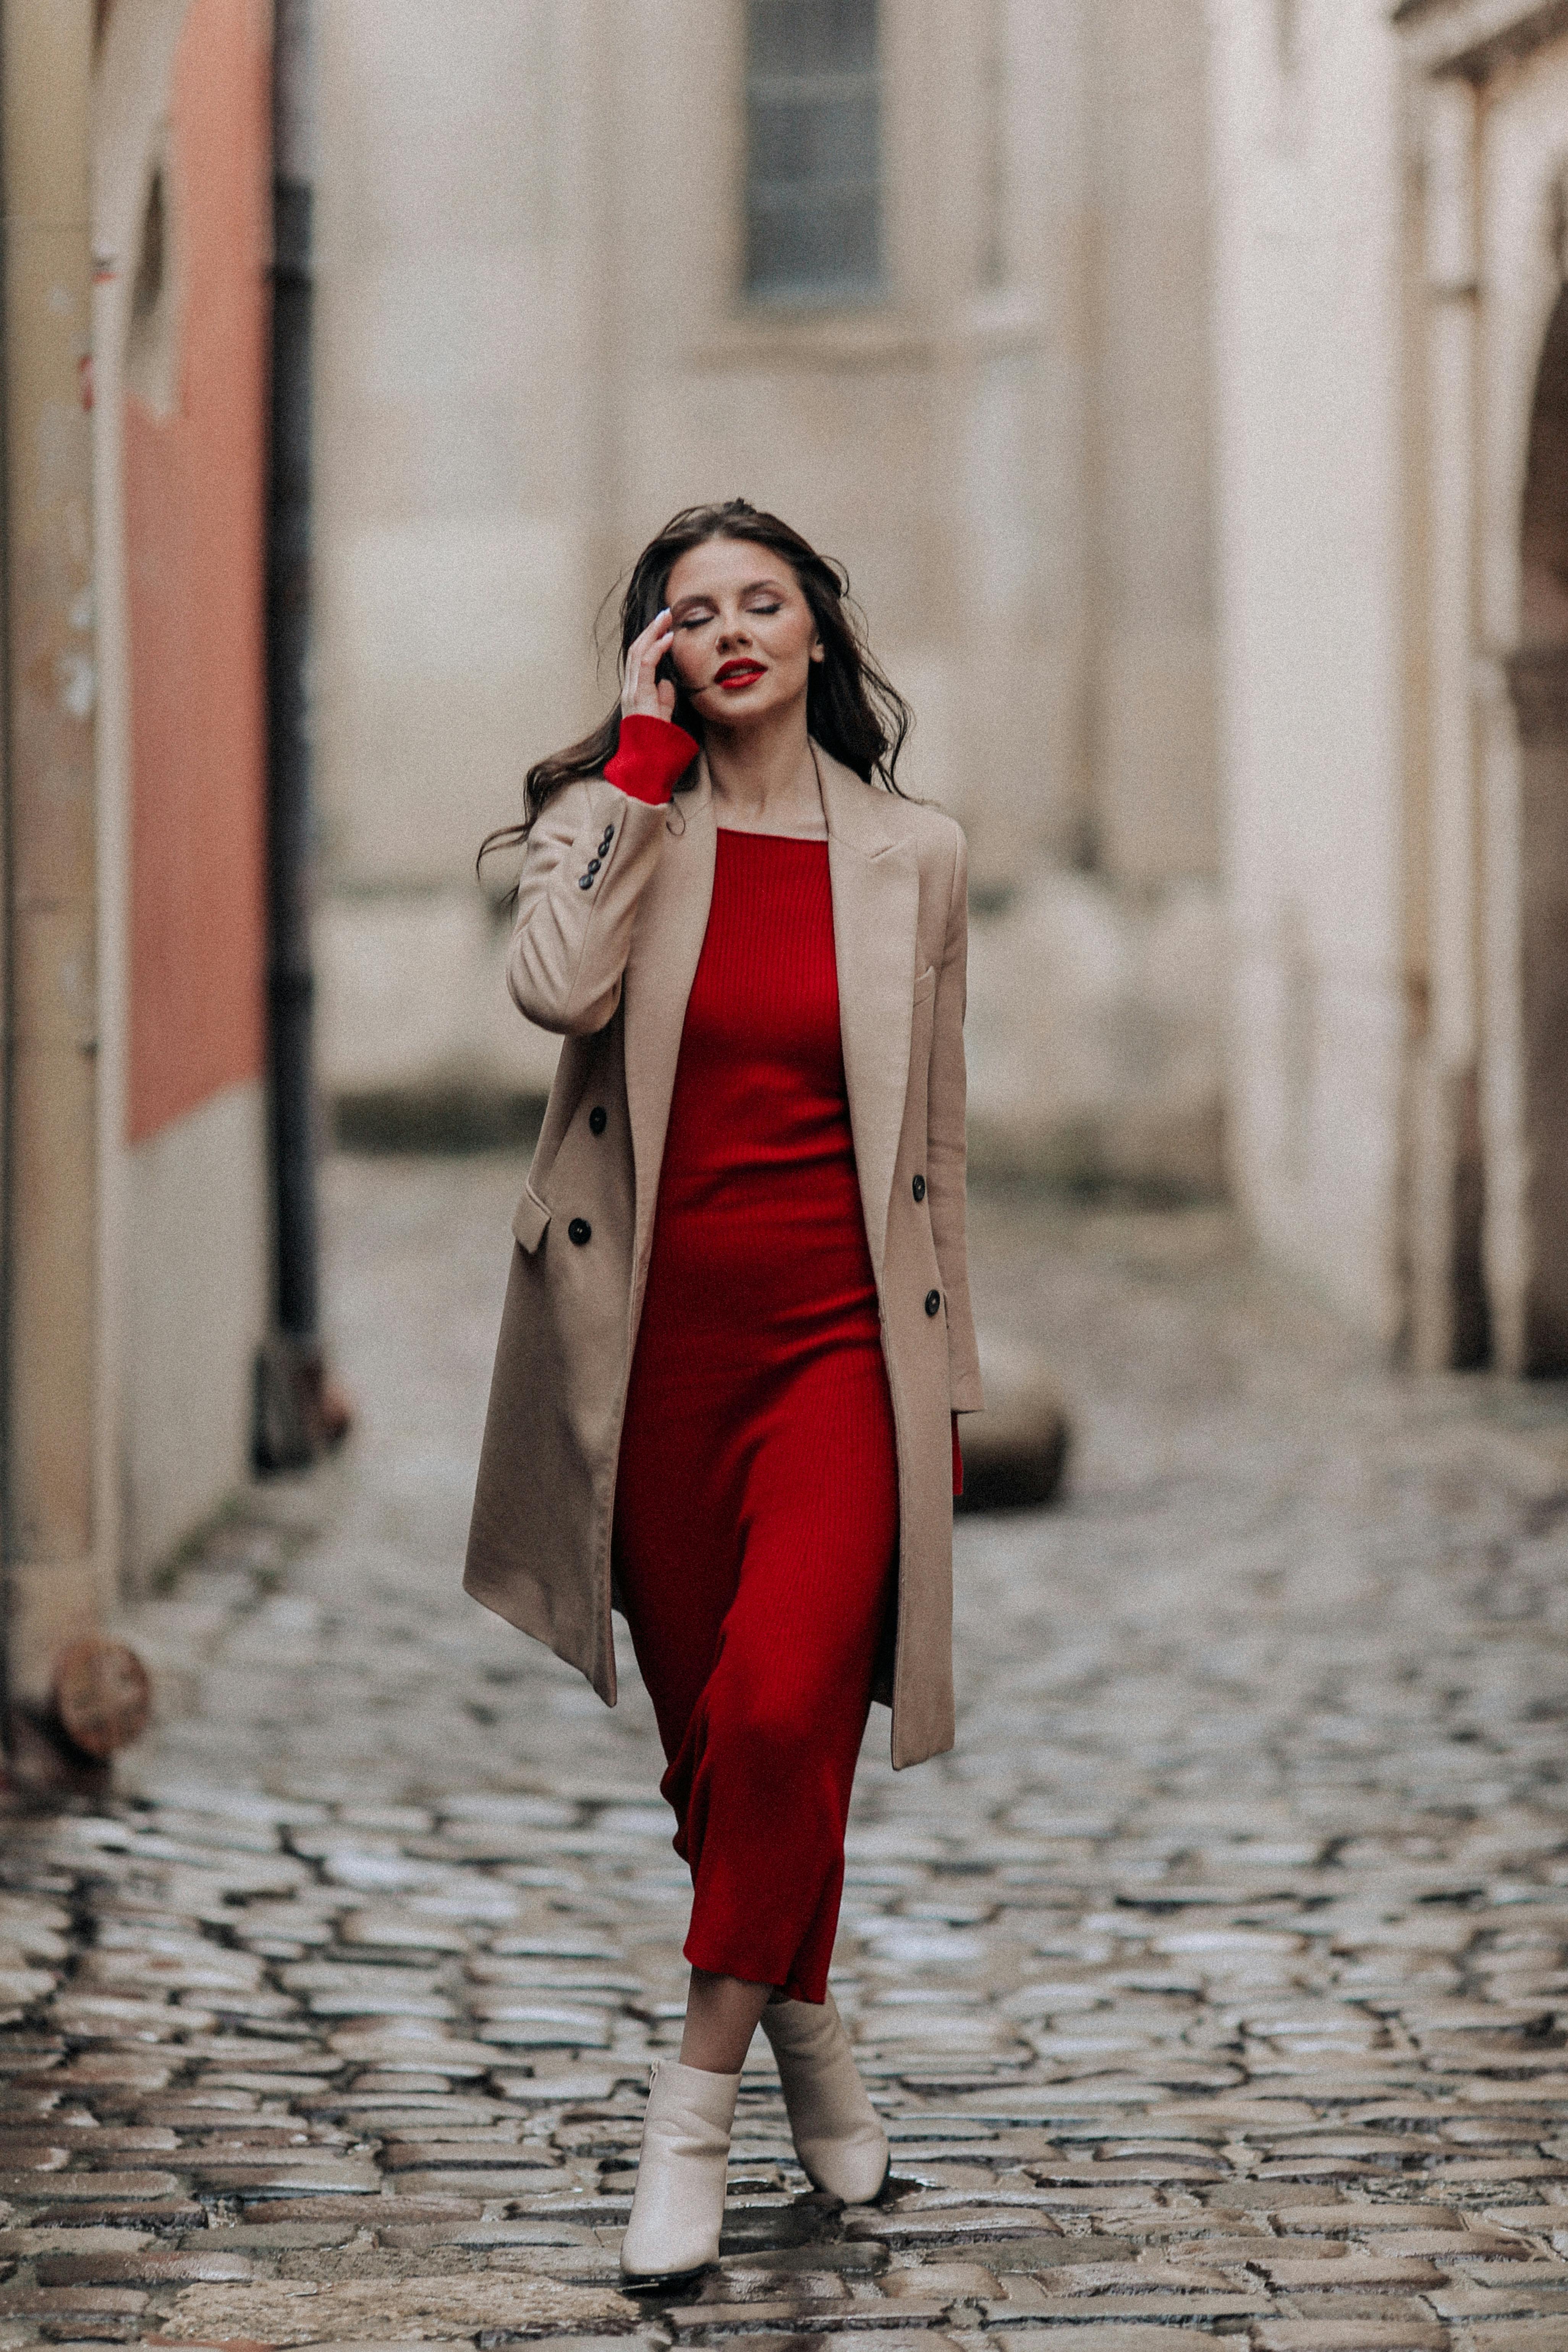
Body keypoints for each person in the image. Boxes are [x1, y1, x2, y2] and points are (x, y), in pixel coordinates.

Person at [466, 499, 982, 2283]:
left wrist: (949, 1391)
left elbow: (939, 1151)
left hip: (843, 1348)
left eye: (765, 602)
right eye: (695, 613)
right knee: (717, 1761)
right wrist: (630, 765)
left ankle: (682, 2119)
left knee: (779, 1713)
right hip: (657, 1352)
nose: (734, 630)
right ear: (659, 650)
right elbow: (553, 989)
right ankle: (810, 2027)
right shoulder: (615, 826)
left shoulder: (917, 853)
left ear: (820, 635)